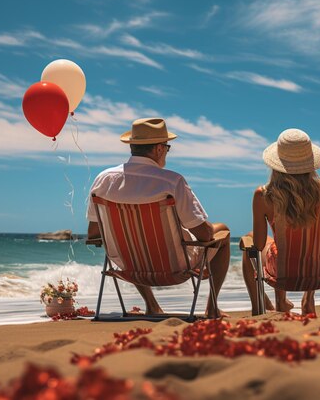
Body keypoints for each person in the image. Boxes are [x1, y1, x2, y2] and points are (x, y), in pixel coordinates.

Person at [87, 117, 230, 317]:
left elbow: (93, 234)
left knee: (132, 243)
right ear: (159, 149)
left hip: (129, 266)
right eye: (167, 148)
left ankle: (151, 305)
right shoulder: (171, 181)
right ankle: (212, 307)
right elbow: (204, 234)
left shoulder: (103, 180)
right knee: (222, 230)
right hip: (175, 267)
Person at [242, 128, 320, 315]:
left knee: (251, 241)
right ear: (311, 161)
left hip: (283, 272)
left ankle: (273, 304)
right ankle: (309, 300)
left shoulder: (263, 195)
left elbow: (259, 244)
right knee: (314, 244)